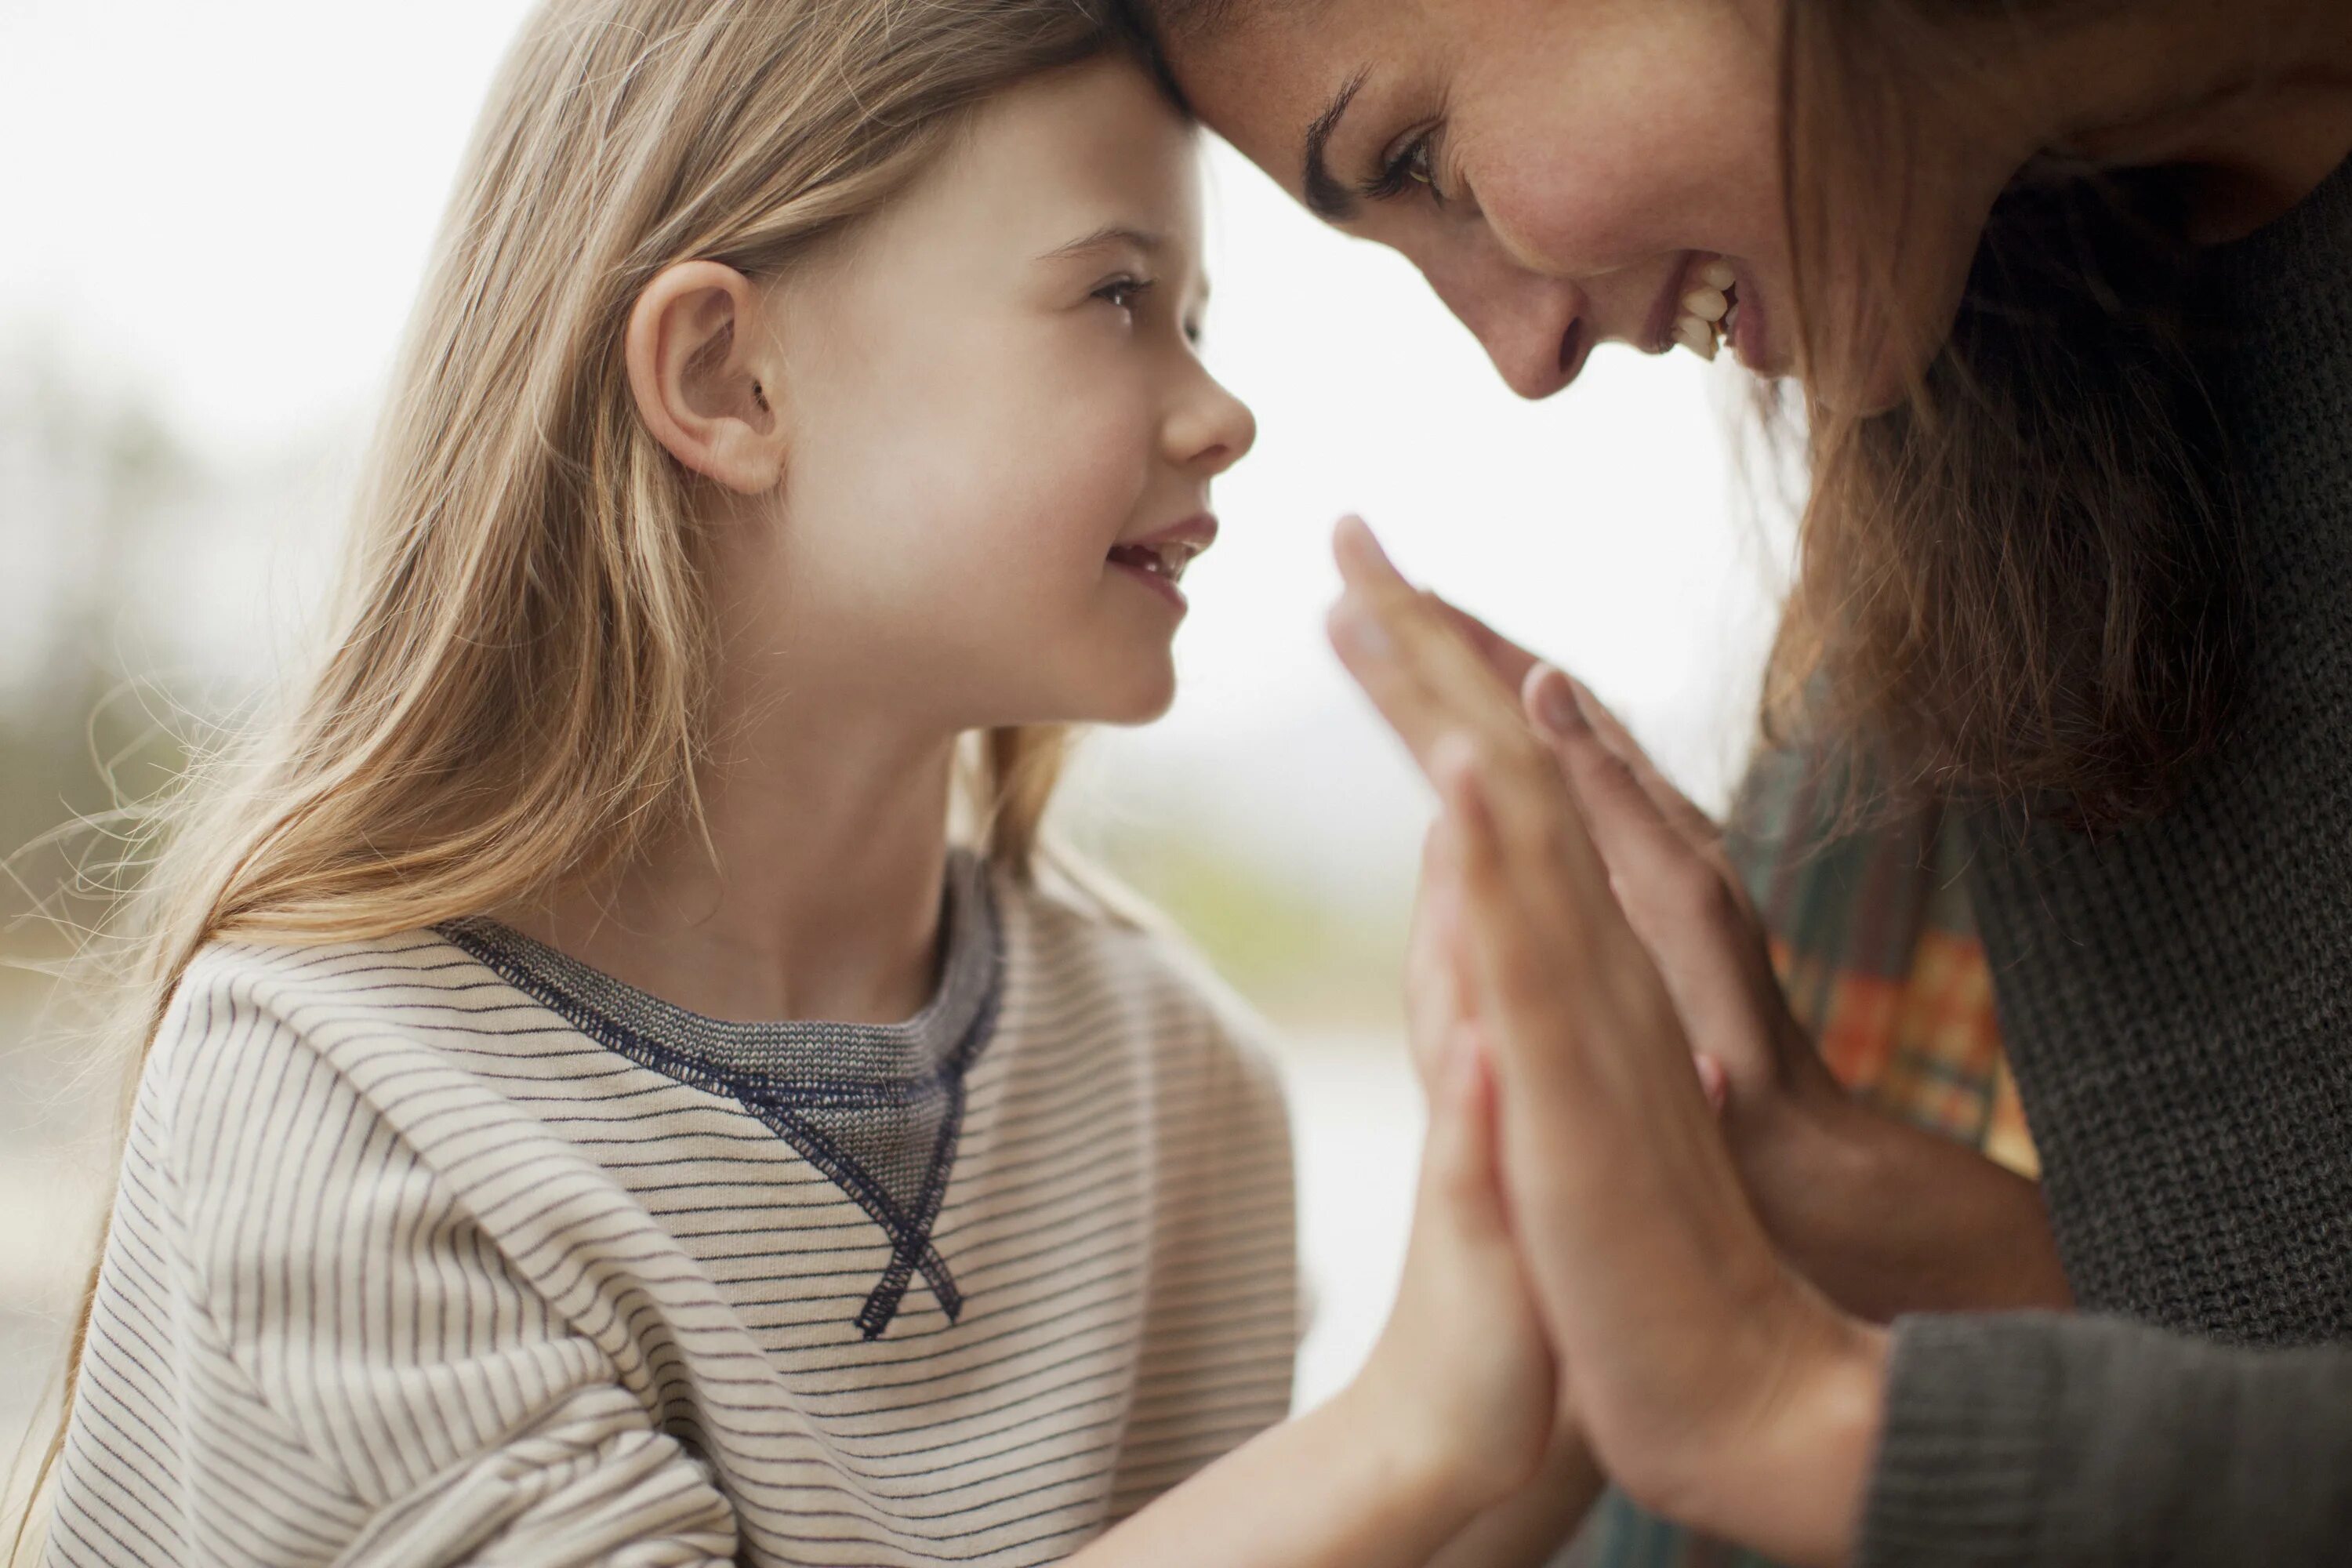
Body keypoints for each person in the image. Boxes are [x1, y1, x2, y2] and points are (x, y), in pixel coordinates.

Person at [23, 4, 1595, 1564]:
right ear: (727, 380)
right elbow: (1372, 1475)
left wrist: (1623, 1275)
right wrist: (1402, 1430)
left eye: (1197, 315)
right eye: (1118, 294)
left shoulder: (1170, 1073)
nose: (1221, 411)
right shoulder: (334, 1095)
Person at [1123, 0, 2352, 1563]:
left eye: (1423, 156)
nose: (1522, 355)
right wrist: (1815, 1167)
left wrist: (1796, 1405)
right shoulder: (2019, 446)